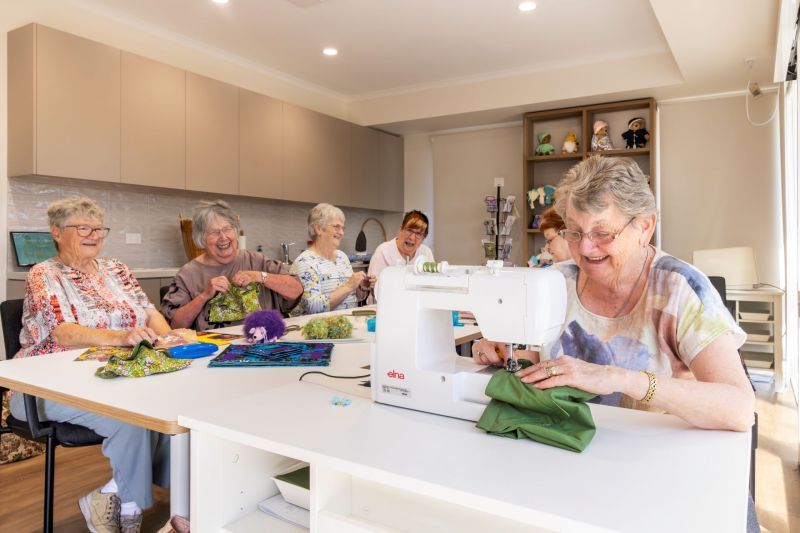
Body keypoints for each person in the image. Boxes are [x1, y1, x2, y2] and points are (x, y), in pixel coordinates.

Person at [473, 156, 755, 432]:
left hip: (654, 452)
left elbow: (740, 409)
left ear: (645, 227)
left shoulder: (680, 288)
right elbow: (542, 358)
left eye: (602, 232)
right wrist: (501, 349)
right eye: (574, 232)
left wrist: (619, 378)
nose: (585, 248)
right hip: (566, 443)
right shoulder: (557, 281)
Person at [9, 196, 172, 532]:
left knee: (175, 409)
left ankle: (115, 494)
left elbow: (150, 311)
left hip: (113, 377)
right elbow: (64, 333)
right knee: (133, 417)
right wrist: (122, 337)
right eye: (83, 227)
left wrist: (169, 338)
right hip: (44, 387)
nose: (94, 234)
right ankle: (130, 512)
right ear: (56, 232)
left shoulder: (117, 270)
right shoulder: (44, 274)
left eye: (99, 228)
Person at [161, 200, 303, 330]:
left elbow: (296, 290)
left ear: (235, 231)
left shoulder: (257, 261)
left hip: (267, 343)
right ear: (201, 239)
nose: (223, 237)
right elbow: (175, 326)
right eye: (214, 232)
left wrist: (259, 276)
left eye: (227, 229)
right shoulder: (188, 274)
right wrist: (204, 296)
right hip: (213, 351)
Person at [291, 203, 375, 314]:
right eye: (336, 227)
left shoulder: (342, 257)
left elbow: (354, 298)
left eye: (343, 228)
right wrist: (349, 286)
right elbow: (312, 307)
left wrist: (361, 287)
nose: (341, 232)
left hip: (348, 324)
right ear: (318, 229)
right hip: (321, 329)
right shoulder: (305, 263)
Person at [368, 210, 433, 300]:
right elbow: (374, 288)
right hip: (384, 306)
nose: (412, 237)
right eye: (409, 230)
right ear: (401, 229)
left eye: (418, 234)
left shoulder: (426, 253)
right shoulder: (383, 251)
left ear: (424, 237)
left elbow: (431, 286)